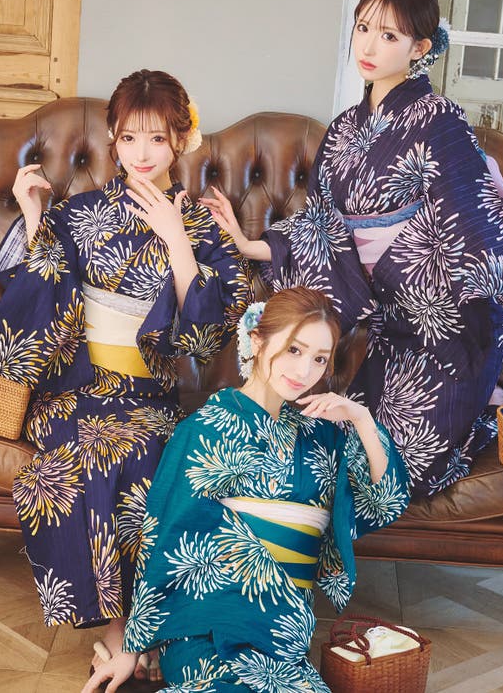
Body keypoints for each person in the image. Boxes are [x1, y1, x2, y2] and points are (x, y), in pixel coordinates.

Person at [201, 0, 503, 499]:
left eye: (389, 36)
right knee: (343, 453)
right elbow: (321, 225)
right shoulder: (342, 130)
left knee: (396, 469)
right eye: (363, 28)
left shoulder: (439, 119)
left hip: (449, 329)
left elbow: (473, 221)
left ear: (420, 48)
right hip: (393, 326)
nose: (369, 46)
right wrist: (248, 244)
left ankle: (480, 401)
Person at [0, 69, 254, 684]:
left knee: (148, 453)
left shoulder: (203, 225)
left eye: (157, 138)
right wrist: (33, 216)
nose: (142, 153)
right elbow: (41, 293)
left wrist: (178, 243)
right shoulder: (79, 213)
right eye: (129, 138)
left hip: (148, 393)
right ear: (113, 138)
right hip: (73, 388)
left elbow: (206, 340)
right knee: (91, 454)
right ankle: (123, 630)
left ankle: (142, 629)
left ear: (181, 139)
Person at [81, 286, 411, 692]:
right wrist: (133, 647)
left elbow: (384, 503)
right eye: (294, 349)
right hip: (208, 621)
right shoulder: (203, 429)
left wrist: (361, 419)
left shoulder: (325, 436)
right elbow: (163, 541)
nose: (305, 370)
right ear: (258, 341)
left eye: (319, 359)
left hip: (283, 631)